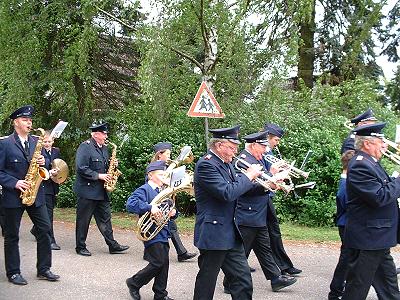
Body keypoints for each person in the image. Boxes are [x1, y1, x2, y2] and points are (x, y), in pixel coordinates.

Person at [193, 125, 262, 300]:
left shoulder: (226, 163)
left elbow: (240, 188)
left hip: (230, 232)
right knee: (207, 280)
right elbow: (227, 193)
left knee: (243, 279)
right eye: (232, 147)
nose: (235, 151)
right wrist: (248, 176)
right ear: (219, 145)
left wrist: (268, 185)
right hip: (214, 232)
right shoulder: (206, 165)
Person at [224, 131, 297, 293]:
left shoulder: (257, 158)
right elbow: (244, 187)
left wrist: (274, 176)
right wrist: (271, 178)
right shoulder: (243, 161)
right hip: (247, 212)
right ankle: (228, 282)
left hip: (259, 211)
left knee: (264, 247)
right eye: (262, 146)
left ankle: (275, 279)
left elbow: (263, 180)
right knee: (242, 250)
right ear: (253, 145)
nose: (265, 150)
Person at [0, 105, 60, 285]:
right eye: (25, 120)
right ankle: (13, 272)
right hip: (13, 196)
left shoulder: (36, 141)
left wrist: (44, 161)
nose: (29, 123)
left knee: (44, 230)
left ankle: (44, 269)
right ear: (16, 122)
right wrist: (15, 182)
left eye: (30, 120)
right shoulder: (4, 143)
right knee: (12, 235)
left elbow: (47, 164)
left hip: (35, 194)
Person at [341, 122, 400, 299]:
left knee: (389, 285)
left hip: (378, 237)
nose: (385, 145)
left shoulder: (370, 162)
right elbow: (379, 197)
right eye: (380, 141)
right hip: (368, 237)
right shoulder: (361, 165)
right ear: (367, 143)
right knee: (357, 288)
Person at [74, 122, 129, 256]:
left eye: (106, 133)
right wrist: (99, 176)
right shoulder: (85, 147)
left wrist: (113, 164)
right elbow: (81, 168)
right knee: (83, 220)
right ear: (96, 134)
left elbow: (105, 166)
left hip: (101, 191)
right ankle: (80, 247)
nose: (106, 136)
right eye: (104, 133)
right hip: (87, 191)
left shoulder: (104, 148)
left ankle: (112, 245)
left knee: (105, 218)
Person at [126, 161, 176, 300]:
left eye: (165, 174)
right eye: (161, 174)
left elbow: (169, 209)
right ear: (150, 175)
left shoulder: (164, 191)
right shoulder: (144, 189)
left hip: (164, 231)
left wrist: (173, 213)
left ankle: (160, 294)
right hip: (151, 232)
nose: (164, 177)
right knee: (158, 262)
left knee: (164, 264)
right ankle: (134, 282)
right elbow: (130, 204)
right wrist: (149, 207)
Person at [262, 123, 302, 276]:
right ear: (268, 138)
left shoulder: (268, 153)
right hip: (262, 196)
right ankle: (284, 267)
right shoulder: (263, 153)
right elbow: (263, 175)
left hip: (266, 196)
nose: (277, 143)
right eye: (276, 140)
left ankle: (283, 267)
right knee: (271, 232)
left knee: (262, 233)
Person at [150, 142, 197, 262]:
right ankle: (180, 252)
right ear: (159, 155)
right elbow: (153, 185)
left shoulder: (166, 166)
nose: (170, 156)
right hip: (158, 201)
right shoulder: (154, 167)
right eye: (168, 154)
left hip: (166, 201)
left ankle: (181, 252)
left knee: (169, 226)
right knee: (163, 226)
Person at [328, 150, 355, 300]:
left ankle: (339, 289)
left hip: (347, 224)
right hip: (346, 224)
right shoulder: (345, 184)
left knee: (349, 258)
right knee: (346, 259)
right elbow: (347, 204)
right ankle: (336, 291)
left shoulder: (346, 181)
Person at [30, 130, 62, 250]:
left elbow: (59, 164)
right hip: (43, 186)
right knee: (49, 214)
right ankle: (50, 240)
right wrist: (49, 171)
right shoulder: (38, 151)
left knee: (49, 211)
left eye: (49, 141)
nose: (47, 144)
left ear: (53, 141)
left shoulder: (56, 151)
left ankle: (35, 229)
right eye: (45, 141)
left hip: (53, 185)